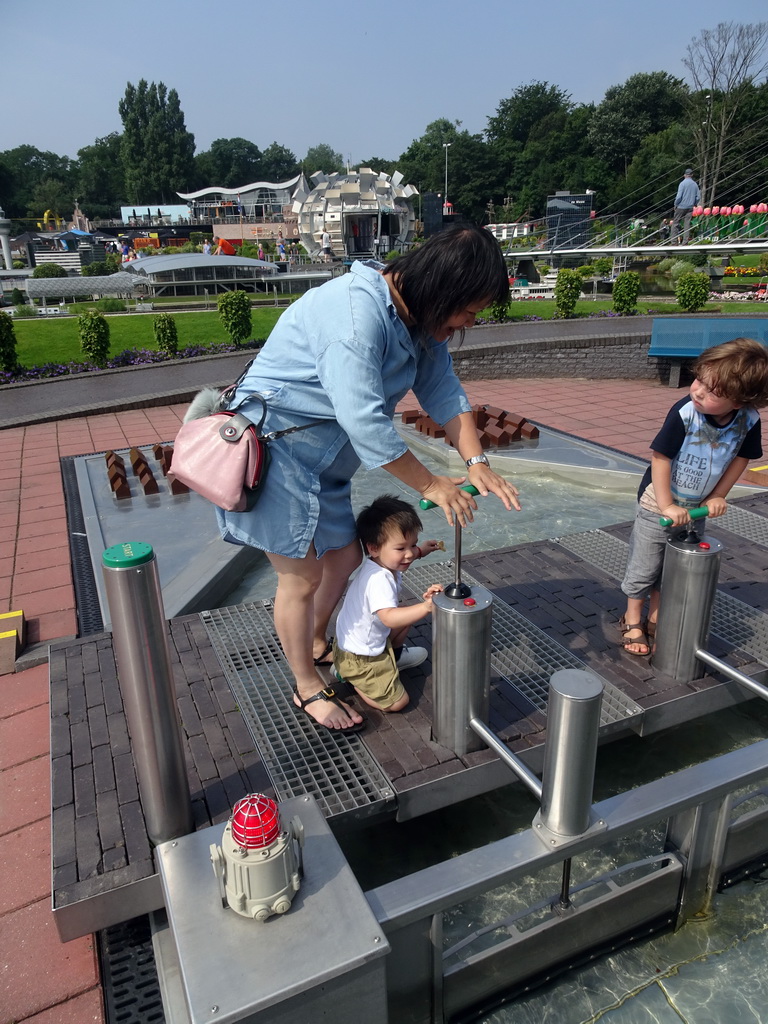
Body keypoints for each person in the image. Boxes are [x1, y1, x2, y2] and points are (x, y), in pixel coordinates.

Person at [215, 224, 521, 732]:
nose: (470, 321)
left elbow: (445, 393)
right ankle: (307, 687)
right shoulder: (355, 317)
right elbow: (364, 422)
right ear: (442, 288)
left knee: (345, 557)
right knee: (301, 577)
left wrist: (475, 462)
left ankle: (315, 641)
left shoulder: (417, 321)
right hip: (277, 455)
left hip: (325, 465)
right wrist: (430, 485)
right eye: (469, 309)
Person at [619, 337, 768, 656]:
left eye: (713, 391)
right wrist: (667, 504)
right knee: (645, 565)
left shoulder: (749, 421)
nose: (698, 390)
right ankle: (632, 617)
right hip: (656, 502)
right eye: (700, 379)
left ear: (739, 402)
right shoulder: (685, 412)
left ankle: (657, 617)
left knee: (672, 568)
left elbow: (743, 457)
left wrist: (718, 495)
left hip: (697, 506)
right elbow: (661, 458)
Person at [332, 496, 444, 712]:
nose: (409, 554)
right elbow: (388, 618)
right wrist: (426, 607)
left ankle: (393, 659)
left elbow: (401, 555)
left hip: (353, 643)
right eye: (401, 548)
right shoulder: (379, 580)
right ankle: (352, 678)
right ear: (373, 548)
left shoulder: (381, 564)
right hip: (361, 659)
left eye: (412, 544)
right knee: (398, 703)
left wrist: (421, 550)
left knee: (406, 618)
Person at [669, 169, 701, 245]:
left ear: (684, 175)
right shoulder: (695, 184)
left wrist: (676, 204)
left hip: (681, 206)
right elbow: (698, 197)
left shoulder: (682, 184)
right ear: (692, 175)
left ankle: (674, 242)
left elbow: (679, 196)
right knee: (687, 224)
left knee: (675, 223)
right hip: (690, 208)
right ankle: (685, 242)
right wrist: (694, 203)